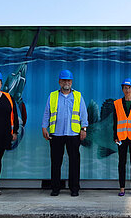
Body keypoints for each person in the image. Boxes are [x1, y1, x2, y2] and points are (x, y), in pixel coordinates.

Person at [42, 69, 88, 197]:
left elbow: (83, 113)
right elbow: (47, 113)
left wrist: (84, 128)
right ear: (59, 82)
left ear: (71, 82)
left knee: (74, 161)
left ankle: (74, 188)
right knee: (56, 162)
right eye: (63, 80)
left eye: (68, 80)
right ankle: (55, 188)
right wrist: (44, 127)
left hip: (73, 134)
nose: (66, 83)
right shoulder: (52, 96)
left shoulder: (78, 96)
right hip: (56, 134)